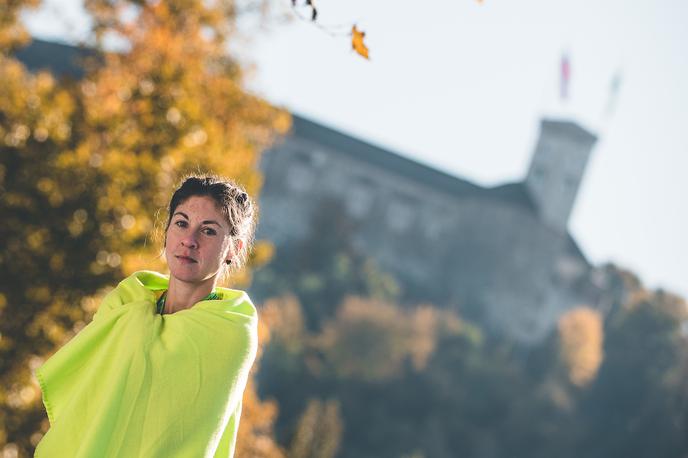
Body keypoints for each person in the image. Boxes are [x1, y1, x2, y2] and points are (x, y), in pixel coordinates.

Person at [34, 175, 259, 457]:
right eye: (181, 223)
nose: (189, 240)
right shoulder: (126, 301)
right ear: (166, 232)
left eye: (209, 231)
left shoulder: (230, 331)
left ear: (234, 249)